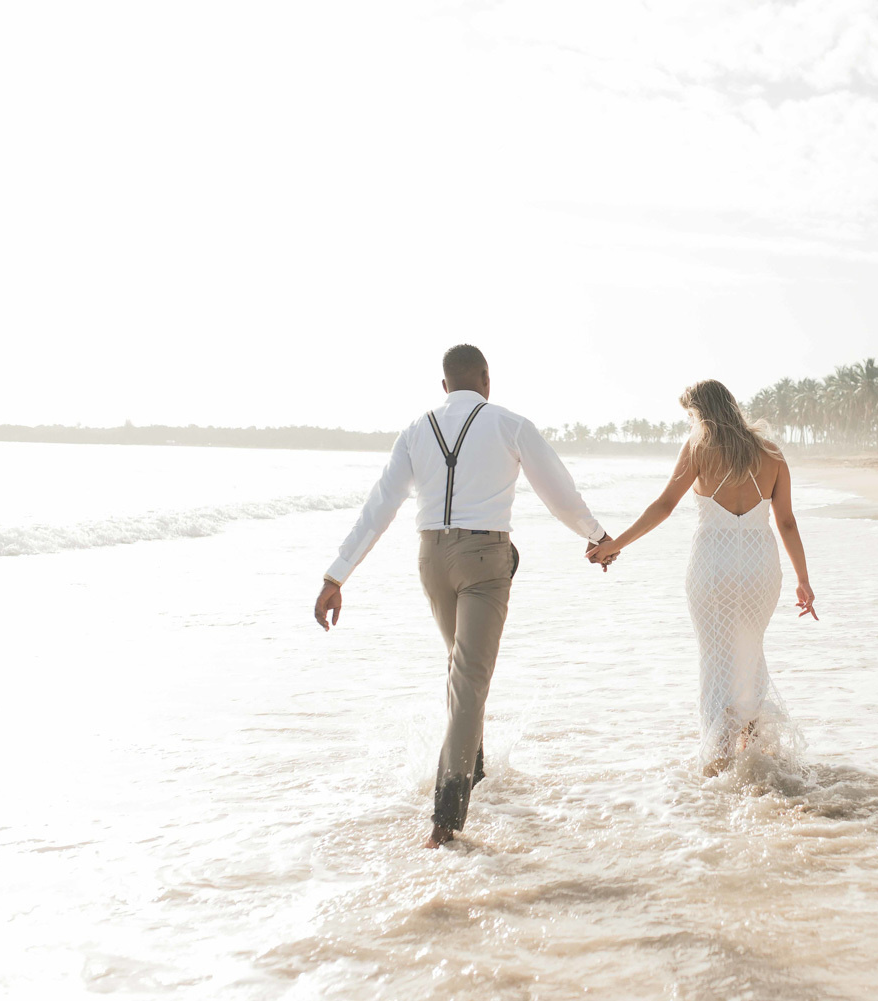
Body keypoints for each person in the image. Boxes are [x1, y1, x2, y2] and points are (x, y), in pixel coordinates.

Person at [312, 344, 616, 848]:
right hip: (483, 562)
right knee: (470, 681)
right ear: (486, 378)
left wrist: (336, 575)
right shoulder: (509, 424)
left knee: (460, 669)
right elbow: (557, 490)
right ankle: (445, 820)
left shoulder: (415, 430)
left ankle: (472, 771)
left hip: (431, 561)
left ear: (445, 386)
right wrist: (596, 535)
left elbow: (380, 506)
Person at [586, 379, 816, 775]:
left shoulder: (699, 449)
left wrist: (615, 544)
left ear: (701, 414)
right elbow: (787, 522)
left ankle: (719, 760)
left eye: (690, 416)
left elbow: (664, 506)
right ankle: (754, 749)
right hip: (761, 567)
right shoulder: (771, 453)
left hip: (714, 565)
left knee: (716, 658)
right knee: (749, 650)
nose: (690, 424)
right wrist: (803, 580)